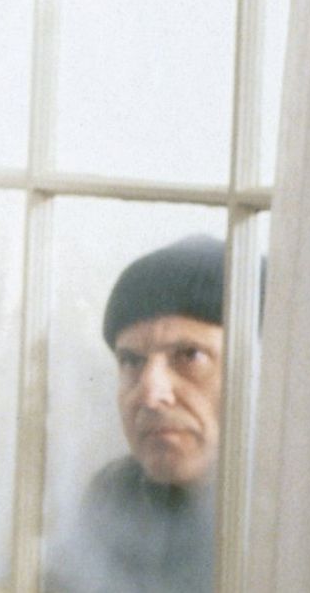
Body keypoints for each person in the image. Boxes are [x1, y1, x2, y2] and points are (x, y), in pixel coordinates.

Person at [47, 235, 227, 593]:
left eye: (190, 356)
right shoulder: (115, 492)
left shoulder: (291, 507)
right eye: (131, 360)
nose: (150, 393)